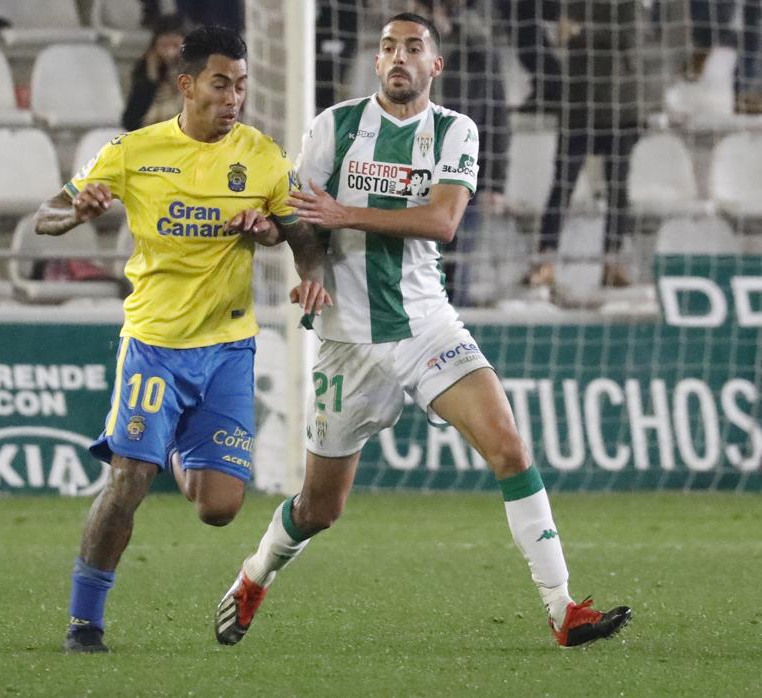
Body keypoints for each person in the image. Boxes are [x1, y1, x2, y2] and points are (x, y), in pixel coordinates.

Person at [213, 13, 631, 649]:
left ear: (436, 65)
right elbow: (305, 226)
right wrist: (275, 236)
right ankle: (254, 575)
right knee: (319, 509)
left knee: (510, 450)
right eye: (388, 48)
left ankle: (561, 609)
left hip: (426, 326)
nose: (399, 57)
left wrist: (342, 212)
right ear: (376, 64)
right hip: (345, 338)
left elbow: (442, 222)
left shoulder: (454, 130)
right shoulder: (335, 127)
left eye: (413, 47)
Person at [33, 24, 324, 654]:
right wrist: (77, 211)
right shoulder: (133, 151)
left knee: (219, 508)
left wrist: (302, 267)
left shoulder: (264, 157)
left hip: (225, 350)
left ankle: (162, 443)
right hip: (154, 345)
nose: (234, 97)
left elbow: (301, 237)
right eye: (221, 84)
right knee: (128, 481)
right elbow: (45, 215)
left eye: (241, 85)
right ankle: (85, 621)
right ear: (187, 85)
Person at [527, 0, 643, 289]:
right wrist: (564, 34)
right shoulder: (575, 3)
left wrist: (580, 32)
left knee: (618, 189)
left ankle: (612, 263)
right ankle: (545, 260)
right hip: (579, 105)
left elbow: (626, 38)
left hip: (619, 106)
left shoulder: (628, 6)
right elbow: (560, 35)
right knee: (562, 185)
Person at [414, 0, 512, 305]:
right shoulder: (406, 57)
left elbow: (496, 120)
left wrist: (495, 182)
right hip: (413, 176)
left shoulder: (479, 56)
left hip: (462, 177)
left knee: (455, 269)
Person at [122, 14, 188, 132]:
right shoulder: (144, 73)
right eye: (164, 46)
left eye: (175, 46)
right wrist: (151, 78)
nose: (170, 53)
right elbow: (130, 122)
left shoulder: (198, 72)